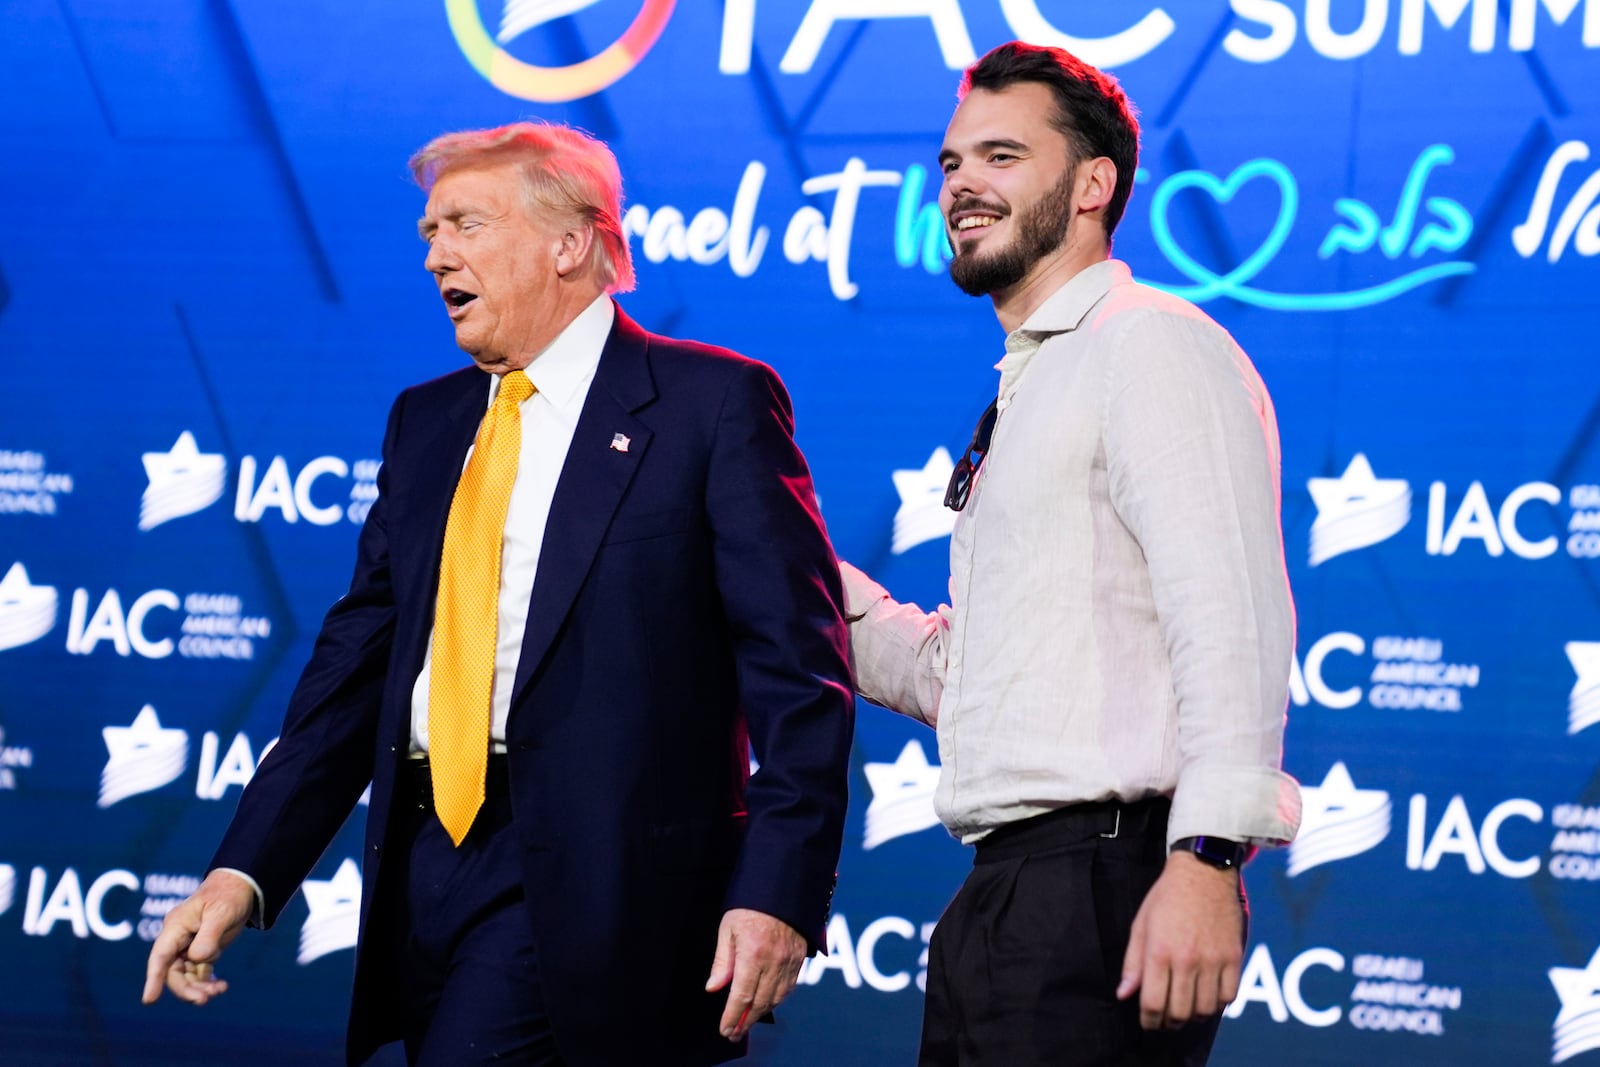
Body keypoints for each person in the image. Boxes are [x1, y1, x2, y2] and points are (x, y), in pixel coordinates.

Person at [141, 121, 855, 1067]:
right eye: (430, 232)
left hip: (608, 874)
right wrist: (244, 870)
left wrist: (777, 887)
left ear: (569, 242)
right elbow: (355, 674)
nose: (436, 253)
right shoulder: (426, 421)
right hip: (426, 860)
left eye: (465, 224)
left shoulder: (709, 404)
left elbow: (800, 671)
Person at [841, 42, 1300, 1066]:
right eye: (952, 162)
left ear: (1093, 185)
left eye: (1001, 156)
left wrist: (1205, 856)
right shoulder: (1037, 376)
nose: (962, 184)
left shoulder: (1148, 345)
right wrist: (790, 574)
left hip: (1103, 884)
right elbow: (970, 680)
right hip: (1005, 892)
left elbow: (1229, 615)